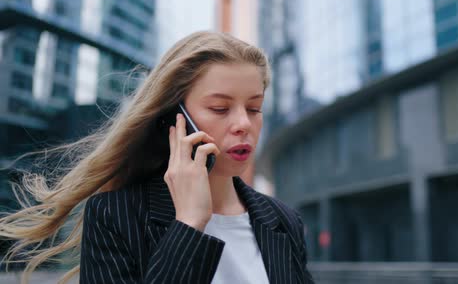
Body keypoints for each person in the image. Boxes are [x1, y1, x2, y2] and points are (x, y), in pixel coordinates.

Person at [0, 31, 314, 283]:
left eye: (254, 108)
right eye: (220, 108)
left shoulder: (283, 221)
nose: (243, 124)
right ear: (173, 118)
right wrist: (190, 224)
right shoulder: (115, 216)